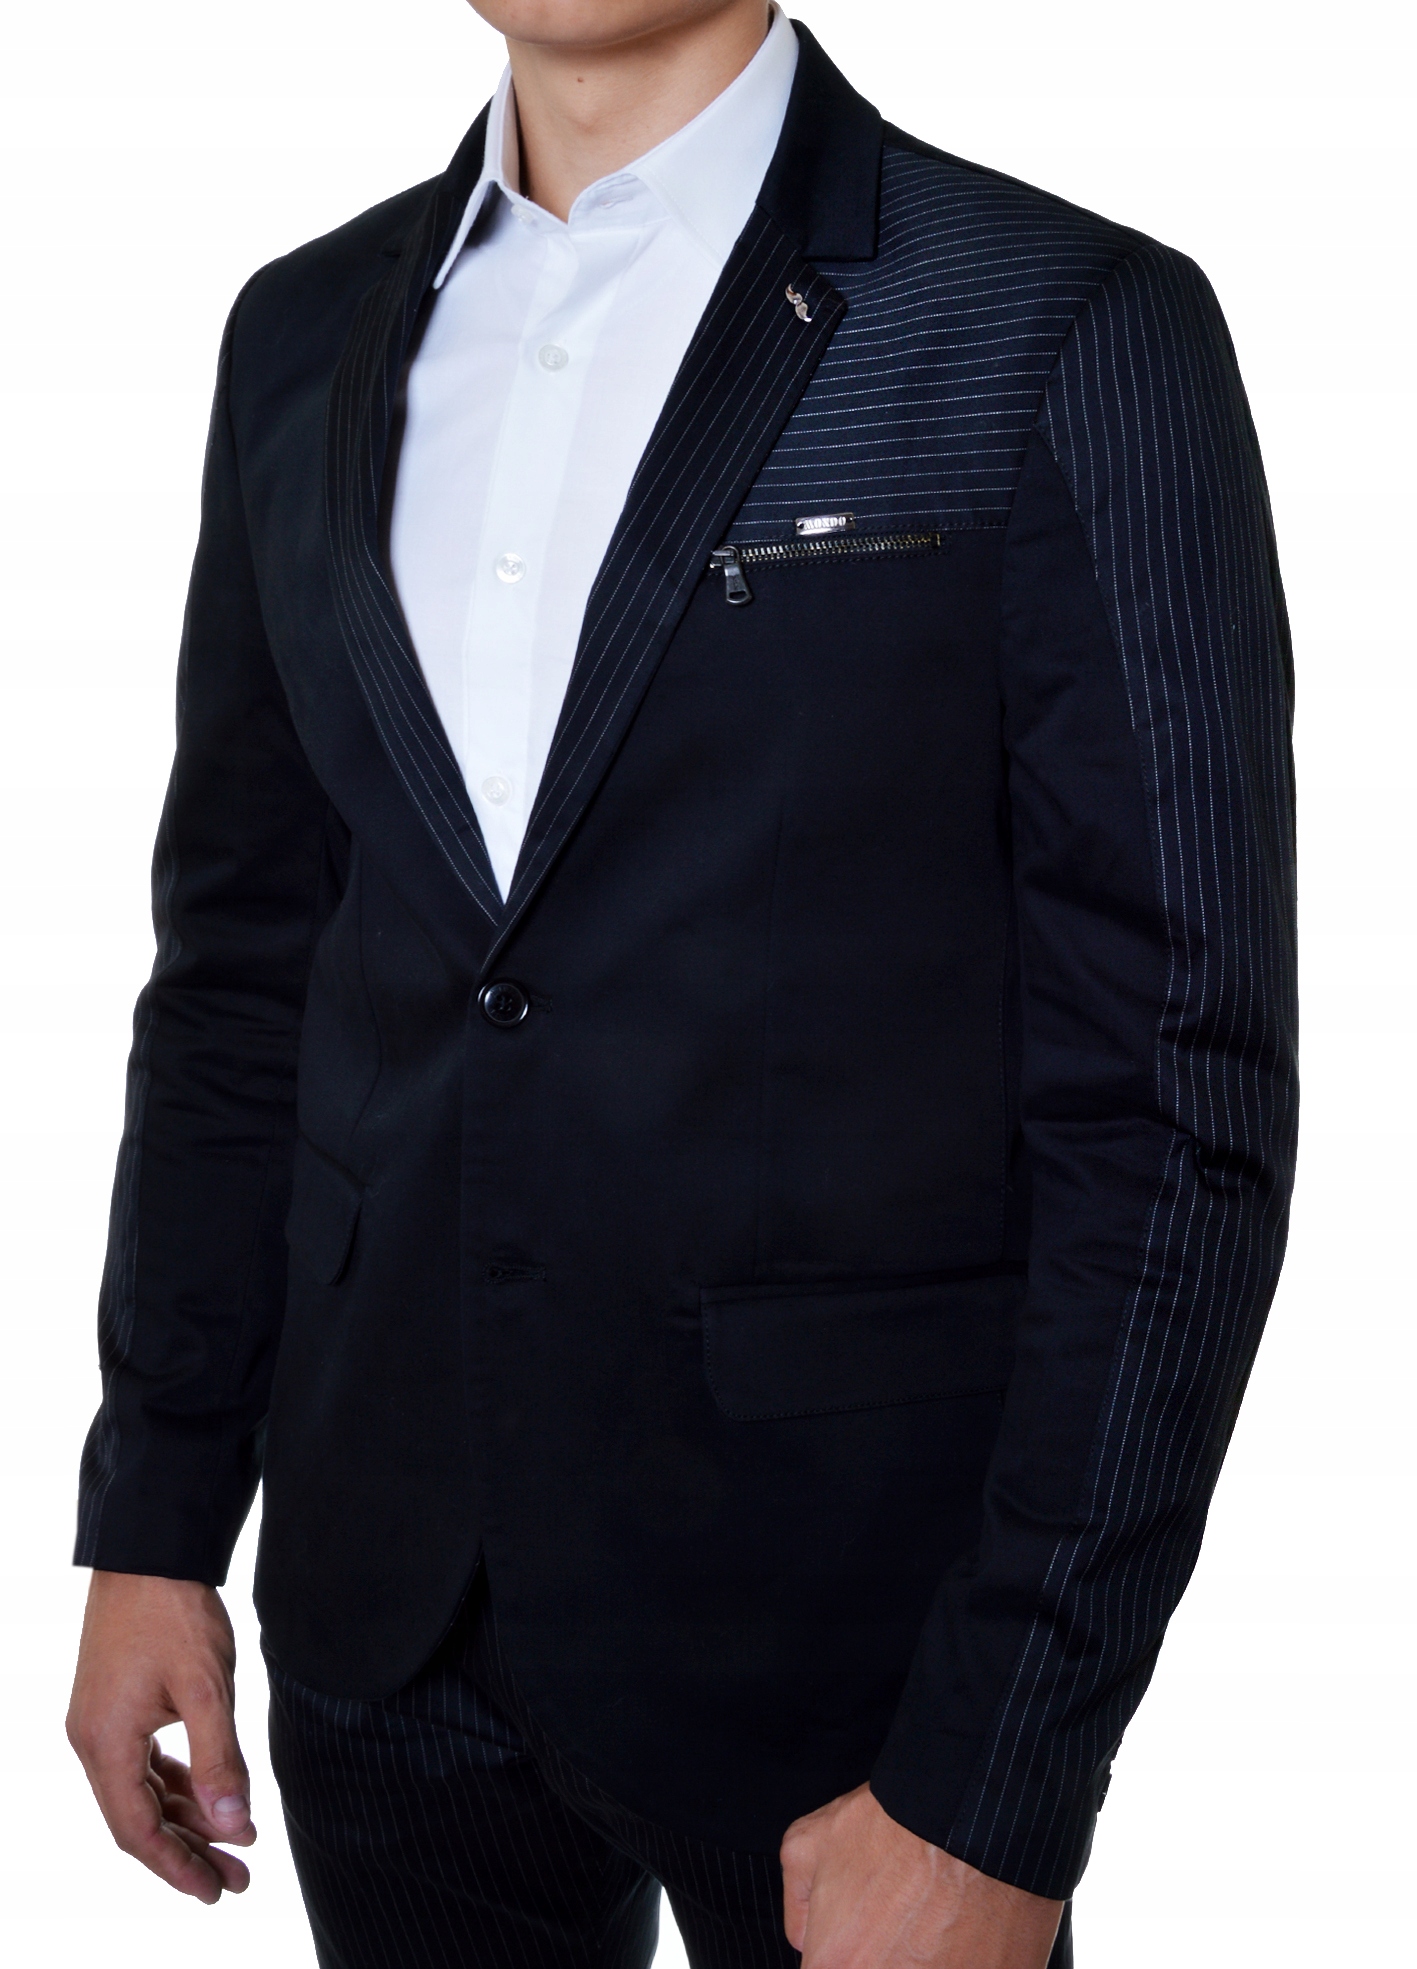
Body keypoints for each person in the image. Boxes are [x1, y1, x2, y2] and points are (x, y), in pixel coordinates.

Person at [64, 3, 1297, 1964]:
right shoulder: (301, 332)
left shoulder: (1053, 324)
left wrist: (1003, 1774)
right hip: (387, 1608)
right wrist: (155, 1514)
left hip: (852, 1648)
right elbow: (240, 972)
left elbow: (1170, 1101)